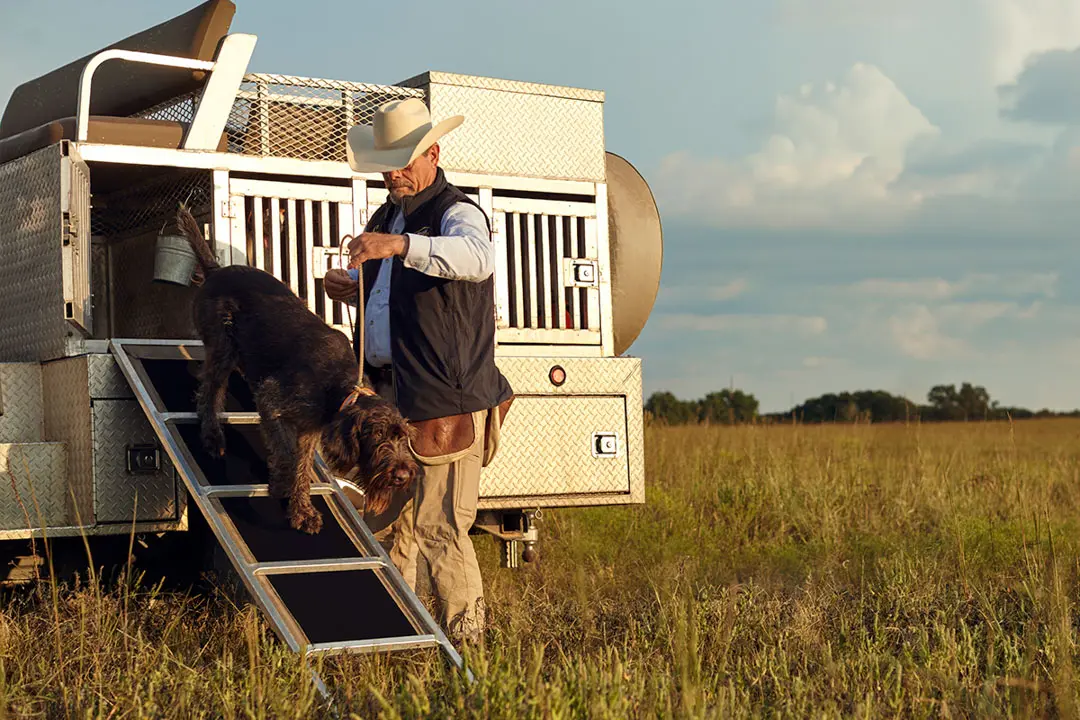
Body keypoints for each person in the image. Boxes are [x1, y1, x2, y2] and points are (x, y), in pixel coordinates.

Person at [323, 97, 513, 646]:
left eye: (405, 159)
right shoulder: (387, 218)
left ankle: (470, 649)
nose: (395, 172)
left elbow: (477, 259)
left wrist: (400, 244)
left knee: (439, 529)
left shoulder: (457, 211)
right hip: (391, 401)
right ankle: (398, 639)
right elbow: (390, 303)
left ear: (433, 152)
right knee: (389, 528)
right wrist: (354, 290)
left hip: (443, 402)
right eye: (388, 162)